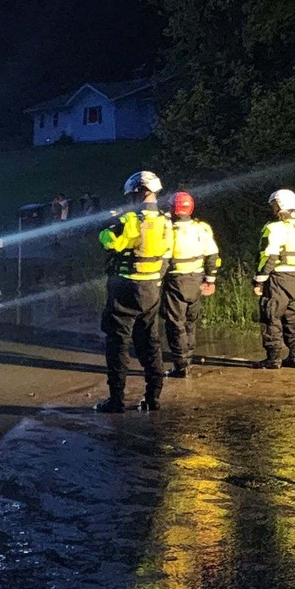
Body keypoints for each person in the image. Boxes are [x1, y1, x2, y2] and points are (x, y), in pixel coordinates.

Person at [96, 170, 171, 413]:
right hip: (151, 288)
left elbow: (110, 242)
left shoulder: (129, 220)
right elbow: (167, 255)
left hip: (125, 288)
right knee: (150, 341)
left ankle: (116, 400)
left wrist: (110, 222)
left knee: (117, 342)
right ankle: (153, 398)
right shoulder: (165, 220)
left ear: (140, 192)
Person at [161, 192, 221, 377]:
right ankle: (188, 359)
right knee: (190, 322)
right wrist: (210, 280)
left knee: (175, 323)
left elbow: (163, 258)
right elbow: (213, 256)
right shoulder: (202, 228)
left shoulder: (168, 230)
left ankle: (180, 366)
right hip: (196, 280)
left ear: (173, 208)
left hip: (175, 280)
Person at [254, 189, 295, 369]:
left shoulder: (273, 227)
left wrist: (259, 280)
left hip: (278, 278)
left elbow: (268, 257)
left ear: (279, 205)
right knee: (293, 318)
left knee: (271, 316)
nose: (272, 208)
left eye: (273, 204)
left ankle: (273, 359)